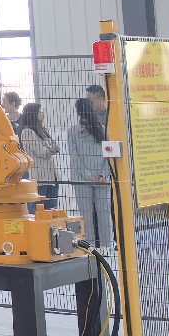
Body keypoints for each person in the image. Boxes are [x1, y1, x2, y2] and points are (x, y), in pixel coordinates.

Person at [69, 83, 115, 246]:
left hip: (82, 179)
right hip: (102, 179)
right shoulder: (104, 129)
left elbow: (74, 157)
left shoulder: (72, 132)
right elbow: (110, 155)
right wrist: (103, 174)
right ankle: (107, 249)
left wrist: (87, 175)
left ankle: (90, 249)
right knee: (104, 215)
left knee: (87, 216)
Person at [16, 101, 61, 210]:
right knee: (39, 208)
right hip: (40, 178)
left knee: (52, 208)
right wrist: (51, 150)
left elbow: (55, 147)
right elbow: (42, 152)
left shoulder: (43, 131)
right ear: (33, 114)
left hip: (51, 177)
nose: (42, 115)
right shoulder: (27, 132)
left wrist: (51, 149)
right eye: (40, 112)